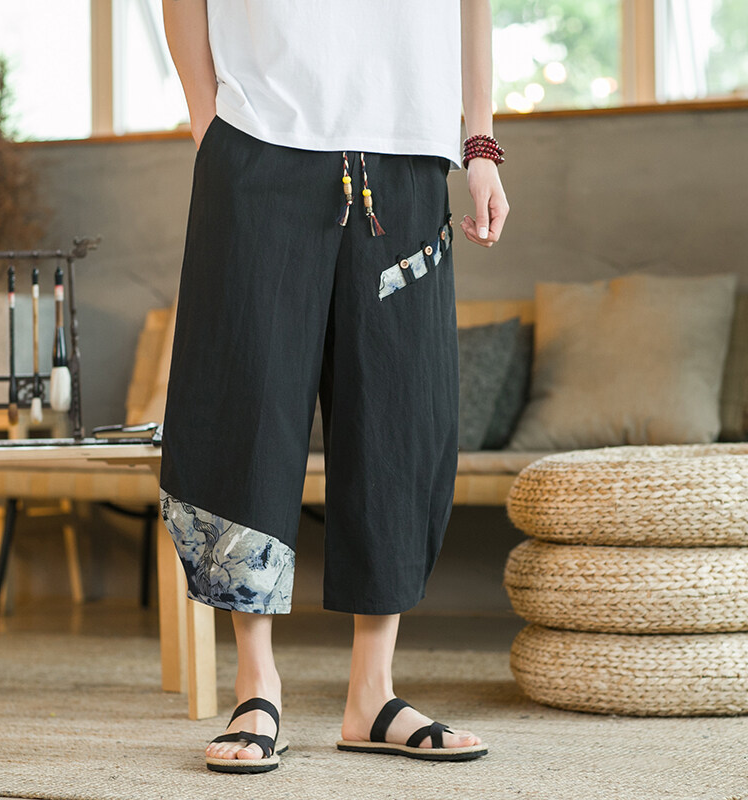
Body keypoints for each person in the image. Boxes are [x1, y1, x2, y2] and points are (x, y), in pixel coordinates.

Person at [158, 0, 510, 774]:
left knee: (399, 413)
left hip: (407, 155)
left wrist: (479, 143)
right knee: (247, 406)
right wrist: (209, 124)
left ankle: (372, 696)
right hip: (259, 141)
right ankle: (256, 688)